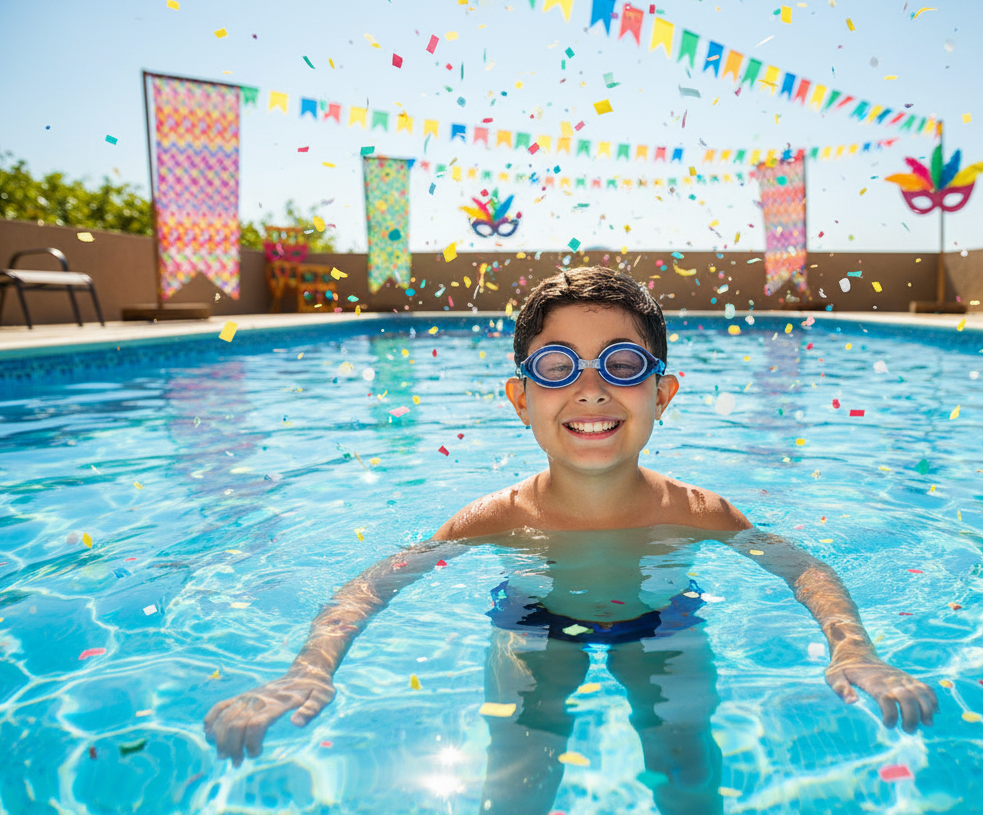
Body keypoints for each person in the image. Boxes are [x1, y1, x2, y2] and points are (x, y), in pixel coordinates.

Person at [204, 266, 939, 813]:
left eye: (623, 365)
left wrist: (853, 649)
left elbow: (801, 568)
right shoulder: (493, 516)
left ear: (662, 394)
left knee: (687, 765)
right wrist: (309, 668)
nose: (591, 390)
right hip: (532, 627)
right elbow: (376, 582)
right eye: (557, 367)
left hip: (664, 624)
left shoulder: (697, 510)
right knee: (519, 773)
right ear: (521, 399)